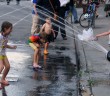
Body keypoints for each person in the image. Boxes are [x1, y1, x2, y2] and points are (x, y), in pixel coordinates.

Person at [0, 21, 17, 89]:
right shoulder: (0, 36)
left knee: (7, 66)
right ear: (5, 29)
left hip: (3, 53)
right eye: (10, 29)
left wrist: (12, 47)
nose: (11, 30)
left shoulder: (6, 36)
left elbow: (5, 45)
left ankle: (2, 79)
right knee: (1, 67)